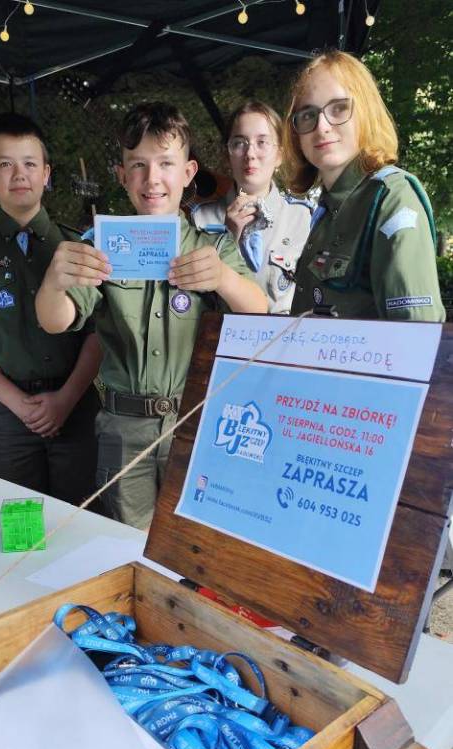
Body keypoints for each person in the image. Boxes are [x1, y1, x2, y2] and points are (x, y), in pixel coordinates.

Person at [35, 102, 267, 529]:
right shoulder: (101, 247)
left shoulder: (213, 247)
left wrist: (224, 279)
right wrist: (53, 283)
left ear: (189, 172)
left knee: (193, 540)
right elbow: (55, 319)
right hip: (122, 430)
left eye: (165, 163)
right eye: (138, 165)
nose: (152, 178)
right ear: (122, 175)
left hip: (195, 424)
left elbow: (259, 312)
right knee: (128, 541)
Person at [0, 113, 101, 505]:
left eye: (30, 163)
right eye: (5, 164)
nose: (19, 175)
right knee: (18, 523)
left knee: (80, 518)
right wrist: (17, 403)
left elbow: (99, 333)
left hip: (75, 406)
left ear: (46, 173)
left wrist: (65, 400)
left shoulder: (77, 247)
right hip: (4, 413)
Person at [284, 50, 445, 322]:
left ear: (366, 113)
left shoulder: (392, 197)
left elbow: (416, 332)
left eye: (339, 108)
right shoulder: (328, 210)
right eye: (308, 114)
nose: (322, 126)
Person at [193, 100, 312, 313]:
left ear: (279, 155)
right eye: (239, 143)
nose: (250, 154)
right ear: (227, 155)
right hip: (220, 332)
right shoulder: (200, 220)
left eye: (262, 142)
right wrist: (227, 238)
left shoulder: (303, 219)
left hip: (285, 333)